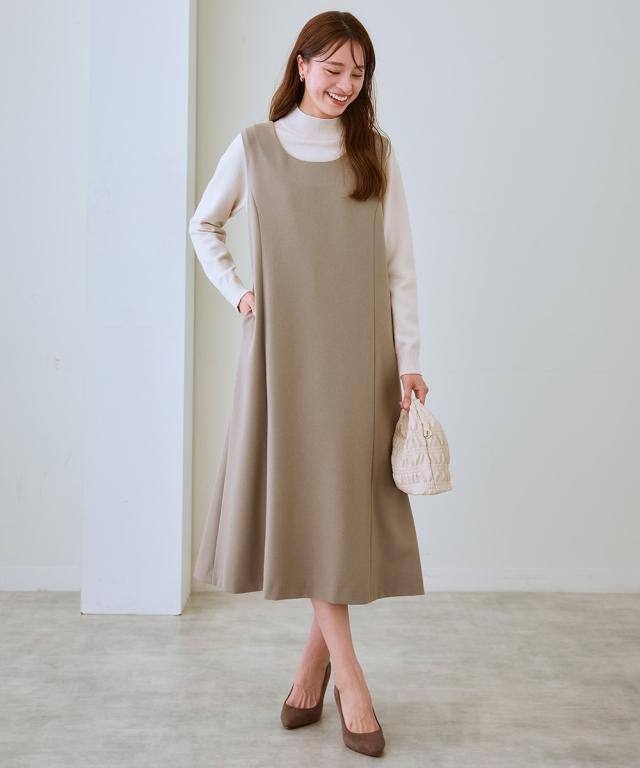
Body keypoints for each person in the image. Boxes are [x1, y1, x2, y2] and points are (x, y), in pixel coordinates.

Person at [189, 11, 429, 757]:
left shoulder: (375, 154)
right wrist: (240, 294)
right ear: (301, 65)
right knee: (316, 509)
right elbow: (203, 225)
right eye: (333, 69)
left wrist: (411, 359)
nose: (345, 85)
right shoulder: (255, 147)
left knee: (340, 513)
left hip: (363, 358)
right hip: (284, 358)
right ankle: (350, 680)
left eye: (358, 73)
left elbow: (400, 266)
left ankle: (312, 668)